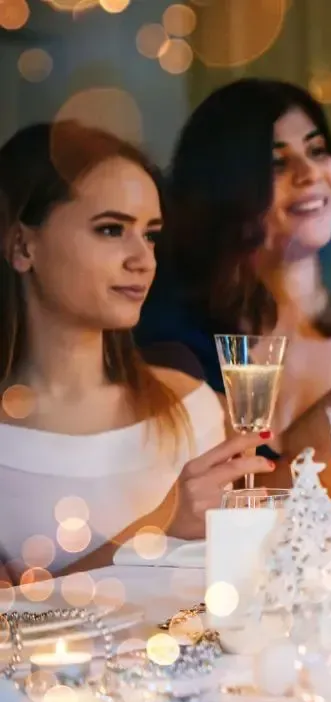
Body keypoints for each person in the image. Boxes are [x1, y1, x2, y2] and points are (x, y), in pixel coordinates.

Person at [137, 79, 331, 492]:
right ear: (222, 188)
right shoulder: (176, 341)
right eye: (277, 164)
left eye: (318, 151)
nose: (310, 174)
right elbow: (245, 501)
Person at [0, 122, 269, 577]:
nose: (143, 260)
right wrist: (160, 528)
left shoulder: (193, 407)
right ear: (23, 245)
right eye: (110, 230)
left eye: (150, 235)